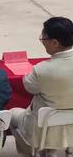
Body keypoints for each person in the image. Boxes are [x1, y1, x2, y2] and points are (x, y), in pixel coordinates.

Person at [10, 17, 73, 157]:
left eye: (44, 39)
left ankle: (29, 153)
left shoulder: (42, 70)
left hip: (43, 130)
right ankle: (53, 152)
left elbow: (29, 87)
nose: (43, 43)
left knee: (12, 114)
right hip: (70, 128)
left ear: (55, 43)